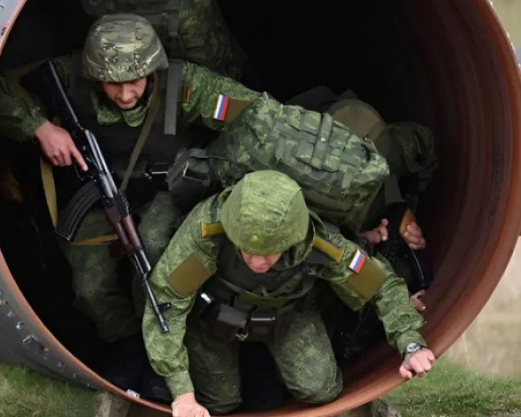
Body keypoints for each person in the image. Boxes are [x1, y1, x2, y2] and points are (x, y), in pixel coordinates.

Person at [0, 12, 264, 398]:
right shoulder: (70, 76)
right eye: (111, 83)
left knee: (152, 252)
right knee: (89, 286)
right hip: (97, 193)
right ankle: (128, 343)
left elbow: (260, 119)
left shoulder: (187, 86)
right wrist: (40, 127)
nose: (124, 94)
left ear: (152, 69)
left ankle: (160, 355)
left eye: (134, 81)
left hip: (170, 192)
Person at [141, 170, 436, 416]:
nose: (258, 262)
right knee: (220, 403)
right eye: (248, 249)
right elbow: (167, 298)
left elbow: (380, 283)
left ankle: (266, 367)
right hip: (214, 315)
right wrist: (182, 392)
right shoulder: (208, 229)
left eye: (270, 253)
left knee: (321, 390)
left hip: (287, 315)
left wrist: (410, 344)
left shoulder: (319, 241)